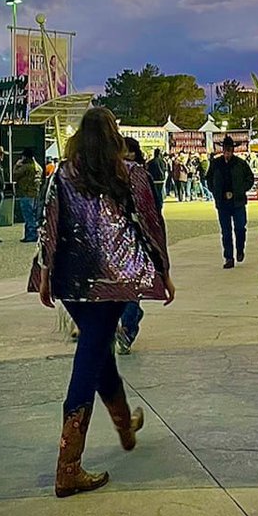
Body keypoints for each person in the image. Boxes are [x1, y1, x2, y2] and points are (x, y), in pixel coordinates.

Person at [35, 107, 176, 498]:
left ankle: (124, 427)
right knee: (91, 352)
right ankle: (68, 467)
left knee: (99, 350)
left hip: (72, 279)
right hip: (117, 277)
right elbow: (150, 222)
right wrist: (162, 270)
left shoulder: (62, 174)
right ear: (114, 135)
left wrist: (45, 271)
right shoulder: (128, 173)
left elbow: (49, 223)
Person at [116, 136, 149, 354]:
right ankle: (131, 318)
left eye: (129, 152)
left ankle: (128, 328)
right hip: (115, 243)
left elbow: (152, 212)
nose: (126, 156)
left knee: (131, 289)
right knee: (121, 289)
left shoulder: (140, 176)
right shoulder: (111, 177)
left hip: (136, 241)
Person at [208, 135, 255, 269]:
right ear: (222, 150)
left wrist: (241, 190)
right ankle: (229, 257)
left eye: (229, 150)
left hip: (238, 201)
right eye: (225, 150)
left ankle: (240, 249)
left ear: (233, 151)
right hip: (222, 203)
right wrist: (215, 192)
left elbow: (250, 179)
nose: (227, 153)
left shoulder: (240, 164)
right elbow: (208, 179)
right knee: (226, 231)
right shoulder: (216, 164)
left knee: (240, 228)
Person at [13, 147, 43, 244]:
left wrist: (17, 165)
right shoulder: (38, 167)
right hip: (35, 193)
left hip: (26, 193)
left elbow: (15, 175)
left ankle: (31, 235)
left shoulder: (26, 167)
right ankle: (32, 234)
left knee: (28, 215)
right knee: (33, 214)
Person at [146, 148, 168, 212]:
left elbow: (148, 170)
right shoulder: (163, 161)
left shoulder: (150, 162)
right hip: (161, 179)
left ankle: (156, 205)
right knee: (160, 192)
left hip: (153, 179)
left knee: (155, 193)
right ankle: (160, 205)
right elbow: (165, 169)